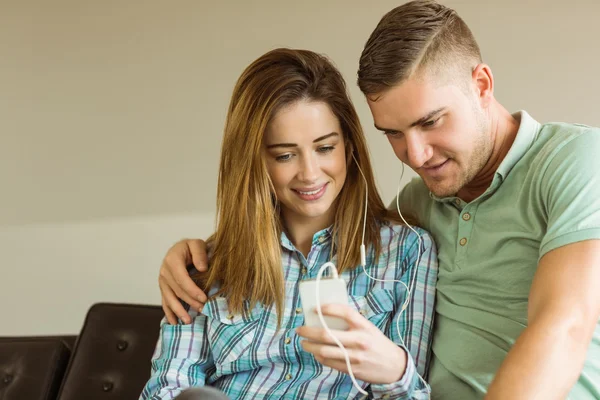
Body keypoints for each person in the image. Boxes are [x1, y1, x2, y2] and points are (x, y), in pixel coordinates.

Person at [157, 1, 600, 399]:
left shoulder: (575, 161)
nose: (416, 155)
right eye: (393, 133)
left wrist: (397, 372)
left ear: (481, 85)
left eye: (431, 121)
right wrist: (190, 255)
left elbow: (564, 328)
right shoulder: (419, 203)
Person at [141, 48, 438, 399]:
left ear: (349, 146)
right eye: (284, 155)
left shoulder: (405, 251)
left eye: (325, 148)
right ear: (253, 162)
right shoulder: (208, 265)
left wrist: (395, 370)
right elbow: (166, 388)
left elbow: (410, 395)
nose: (310, 174)